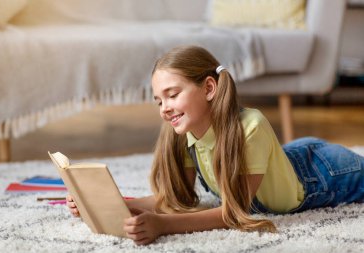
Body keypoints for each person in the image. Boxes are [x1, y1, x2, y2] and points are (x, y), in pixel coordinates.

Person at [66, 45, 364, 245]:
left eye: (172, 95)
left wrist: (162, 225)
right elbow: (175, 198)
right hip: (279, 162)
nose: (164, 108)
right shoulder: (182, 134)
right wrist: (110, 205)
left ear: (209, 88)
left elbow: (233, 213)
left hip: (322, 175)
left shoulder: (251, 126)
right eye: (159, 100)